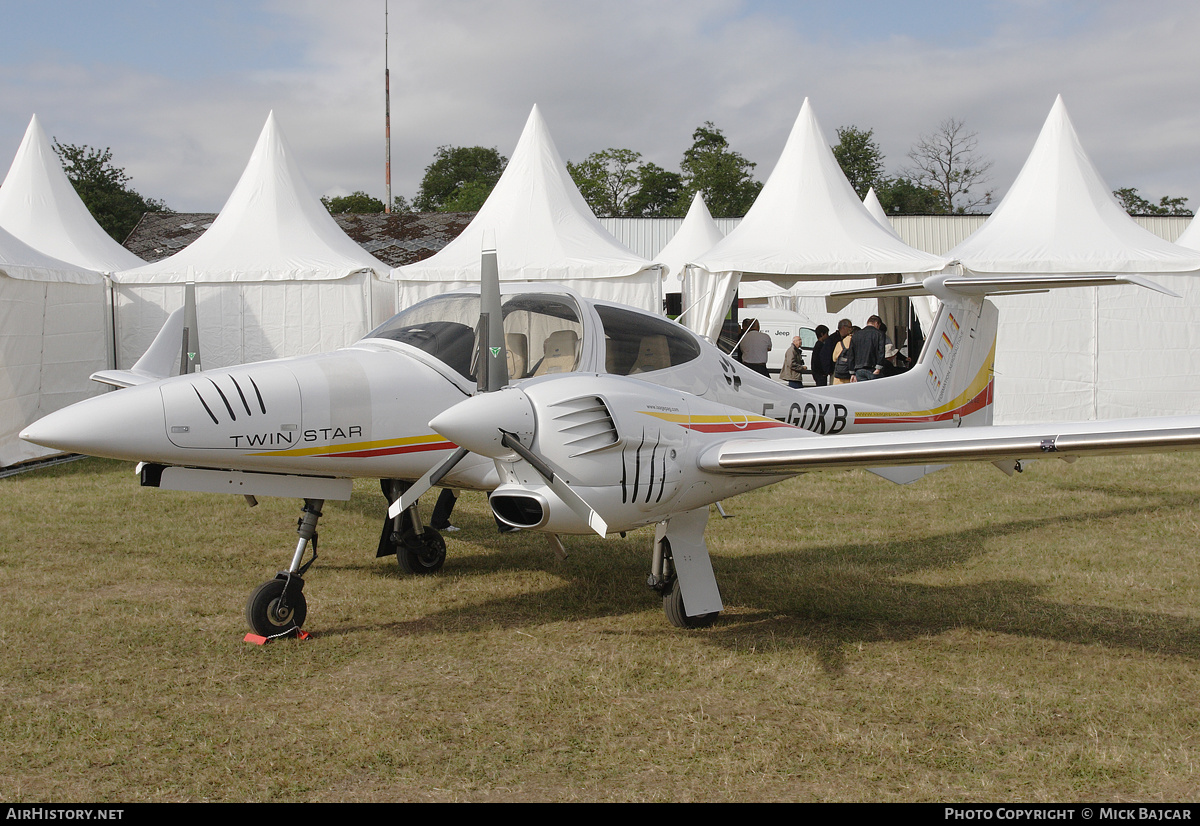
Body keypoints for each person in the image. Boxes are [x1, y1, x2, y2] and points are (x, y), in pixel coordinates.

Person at [848, 314, 887, 382]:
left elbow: (851, 354)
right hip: (873, 368)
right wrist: (878, 368)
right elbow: (881, 352)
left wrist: (852, 373)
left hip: (858, 369)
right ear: (876, 323)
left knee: (863, 391)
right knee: (875, 391)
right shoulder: (879, 334)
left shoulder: (856, 335)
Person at [830, 319, 854, 385]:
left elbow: (834, 358)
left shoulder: (840, 344)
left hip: (840, 377)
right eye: (850, 327)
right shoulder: (857, 341)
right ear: (844, 327)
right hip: (852, 376)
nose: (851, 329)